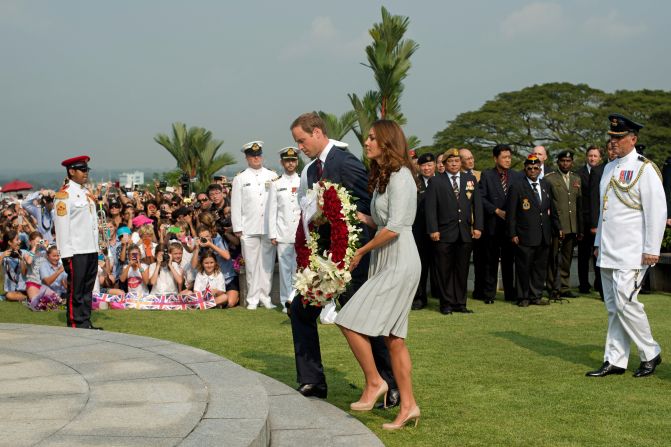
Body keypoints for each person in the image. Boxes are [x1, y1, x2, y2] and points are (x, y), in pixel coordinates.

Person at [289, 112, 397, 406]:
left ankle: (390, 382)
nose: (300, 147)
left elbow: (367, 206)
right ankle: (312, 380)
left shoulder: (345, 161)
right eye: (296, 142)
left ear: (318, 133)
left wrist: (357, 250)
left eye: (302, 140)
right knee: (300, 310)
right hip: (323, 259)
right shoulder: (312, 171)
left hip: (351, 256)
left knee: (359, 317)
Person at [335, 119, 420, 430]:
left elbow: (396, 227)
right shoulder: (385, 178)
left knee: (347, 319)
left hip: (400, 260)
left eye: (372, 138)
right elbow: (380, 219)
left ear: (386, 142)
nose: (367, 142)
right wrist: (347, 212)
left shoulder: (402, 177)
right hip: (386, 259)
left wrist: (360, 251)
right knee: (394, 339)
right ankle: (409, 405)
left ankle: (375, 382)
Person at [587, 114, 666, 378]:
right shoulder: (609, 168)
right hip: (609, 249)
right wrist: (598, 242)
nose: (614, 143)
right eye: (611, 138)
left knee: (626, 301)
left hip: (633, 251)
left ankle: (650, 352)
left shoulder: (645, 168)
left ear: (633, 139)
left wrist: (652, 248)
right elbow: (605, 211)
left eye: (619, 138)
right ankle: (615, 360)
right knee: (613, 306)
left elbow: (656, 210)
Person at [425, 148, 483, 314]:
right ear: (444, 164)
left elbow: (477, 205)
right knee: (444, 271)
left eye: (457, 161)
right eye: (451, 161)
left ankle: (460, 303)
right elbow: (430, 208)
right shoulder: (436, 182)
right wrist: (433, 229)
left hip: (464, 233)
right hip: (443, 234)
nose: (454, 164)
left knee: (462, 270)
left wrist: (478, 226)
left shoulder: (470, 179)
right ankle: (446, 304)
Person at [54, 156, 102, 329]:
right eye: (82, 170)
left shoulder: (85, 193)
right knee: (76, 290)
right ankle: (76, 323)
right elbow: (61, 226)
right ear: (71, 171)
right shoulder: (64, 195)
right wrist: (65, 254)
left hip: (90, 249)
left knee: (87, 290)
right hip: (75, 251)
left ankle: (85, 322)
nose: (85, 173)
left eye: (86, 170)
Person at [507, 155, 561, 307]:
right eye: (529, 168)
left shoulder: (545, 184)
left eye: (536, 168)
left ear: (540, 169)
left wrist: (558, 227)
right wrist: (512, 233)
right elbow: (511, 213)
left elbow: (552, 209)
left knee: (539, 268)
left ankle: (535, 296)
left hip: (544, 235)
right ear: (525, 169)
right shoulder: (517, 186)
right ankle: (523, 297)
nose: (532, 171)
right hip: (524, 235)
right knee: (524, 268)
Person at [230, 141, 277, 310]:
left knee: (267, 265)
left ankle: (265, 296)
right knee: (250, 265)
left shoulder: (272, 176)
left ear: (262, 156)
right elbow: (236, 204)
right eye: (252, 156)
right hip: (248, 227)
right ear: (247, 158)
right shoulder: (240, 178)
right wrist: (237, 227)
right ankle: (252, 298)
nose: (256, 159)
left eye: (258, 155)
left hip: (267, 228)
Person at [478, 144, 523, 303]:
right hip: (493, 225)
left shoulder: (517, 176)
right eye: (504, 157)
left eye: (509, 157)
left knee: (509, 261)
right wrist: (496, 210)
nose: (508, 160)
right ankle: (489, 294)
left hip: (510, 227)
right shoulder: (487, 175)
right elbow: (481, 198)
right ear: (495, 158)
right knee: (490, 261)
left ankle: (510, 294)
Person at [544, 151, 583, 298]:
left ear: (572, 162)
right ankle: (553, 287)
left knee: (567, 259)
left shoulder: (576, 178)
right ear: (558, 162)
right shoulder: (550, 179)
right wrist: (555, 226)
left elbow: (578, 205)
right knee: (553, 258)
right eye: (563, 161)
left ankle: (565, 287)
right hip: (557, 225)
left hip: (572, 225)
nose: (565, 163)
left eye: (568, 160)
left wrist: (579, 228)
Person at [267, 147, 301, 311]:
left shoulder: (303, 181)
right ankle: (285, 301)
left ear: (297, 161)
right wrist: (272, 234)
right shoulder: (276, 184)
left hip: (301, 233)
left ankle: (296, 299)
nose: (290, 163)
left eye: (293, 160)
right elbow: (271, 211)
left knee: (298, 269)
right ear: (282, 162)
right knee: (285, 269)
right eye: (287, 160)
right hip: (283, 232)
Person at [411, 153, 436, 310]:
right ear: (419, 167)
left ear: (434, 165)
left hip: (440, 231)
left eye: (429, 165)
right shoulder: (414, 183)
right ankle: (420, 297)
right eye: (423, 165)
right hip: (419, 231)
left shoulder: (441, 180)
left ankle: (442, 296)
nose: (427, 168)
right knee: (421, 266)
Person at [577, 146, 603, 294]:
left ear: (600, 158)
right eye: (590, 155)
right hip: (583, 220)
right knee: (583, 254)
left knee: (597, 254)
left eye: (595, 156)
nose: (592, 158)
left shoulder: (604, 172)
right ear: (586, 157)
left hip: (598, 220)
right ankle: (583, 285)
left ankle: (599, 284)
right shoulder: (578, 174)